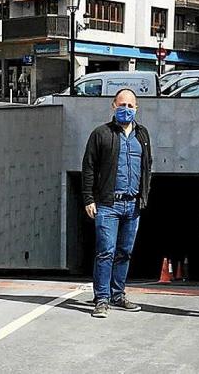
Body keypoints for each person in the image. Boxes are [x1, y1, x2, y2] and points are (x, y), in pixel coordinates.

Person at [82, 88, 153, 318]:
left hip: (132, 205)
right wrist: (88, 198)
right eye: (122, 105)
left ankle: (118, 294)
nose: (126, 110)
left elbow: (147, 168)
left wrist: (144, 195)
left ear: (136, 108)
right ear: (113, 105)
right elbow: (89, 167)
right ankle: (101, 298)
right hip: (108, 205)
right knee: (106, 252)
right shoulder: (101, 134)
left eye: (130, 106)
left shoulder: (142, 135)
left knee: (124, 252)